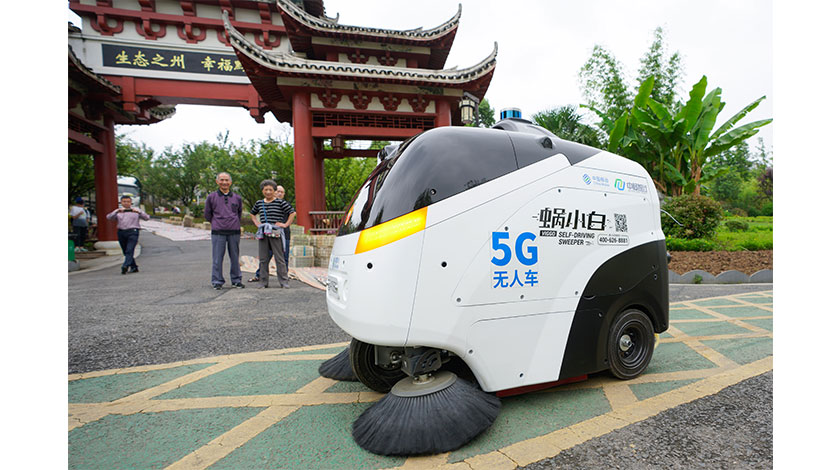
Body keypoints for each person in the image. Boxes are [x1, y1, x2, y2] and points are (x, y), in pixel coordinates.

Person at [204, 172, 245, 290]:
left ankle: (236, 280)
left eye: (227, 180)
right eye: (221, 180)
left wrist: (234, 222)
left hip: (234, 231)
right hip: (218, 231)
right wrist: (216, 222)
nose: (224, 182)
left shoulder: (237, 198)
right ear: (217, 182)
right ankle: (217, 281)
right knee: (217, 258)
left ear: (230, 182)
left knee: (235, 257)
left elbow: (239, 213)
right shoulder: (211, 197)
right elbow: (207, 214)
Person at [249, 179, 293, 288]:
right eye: (266, 190)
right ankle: (263, 282)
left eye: (270, 190)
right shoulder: (259, 203)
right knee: (263, 258)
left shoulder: (280, 202)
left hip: (275, 231)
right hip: (263, 232)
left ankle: (284, 281)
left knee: (279, 258)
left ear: (274, 191)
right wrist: (257, 223)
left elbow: (292, 212)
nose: (268, 192)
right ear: (262, 191)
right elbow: (252, 213)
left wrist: (285, 224)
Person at [106, 195, 150, 274]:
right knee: (125, 250)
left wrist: (139, 212)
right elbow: (109, 217)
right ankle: (134, 266)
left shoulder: (136, 210)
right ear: (121, 202)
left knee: (130, 249)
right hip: (121, 232)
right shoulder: (119, 211)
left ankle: (125, 265)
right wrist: (116, 211)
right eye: (124, 201)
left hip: (133, 231)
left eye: (128, 202)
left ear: (131, 202)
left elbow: (147, 217)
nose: (126, 203)